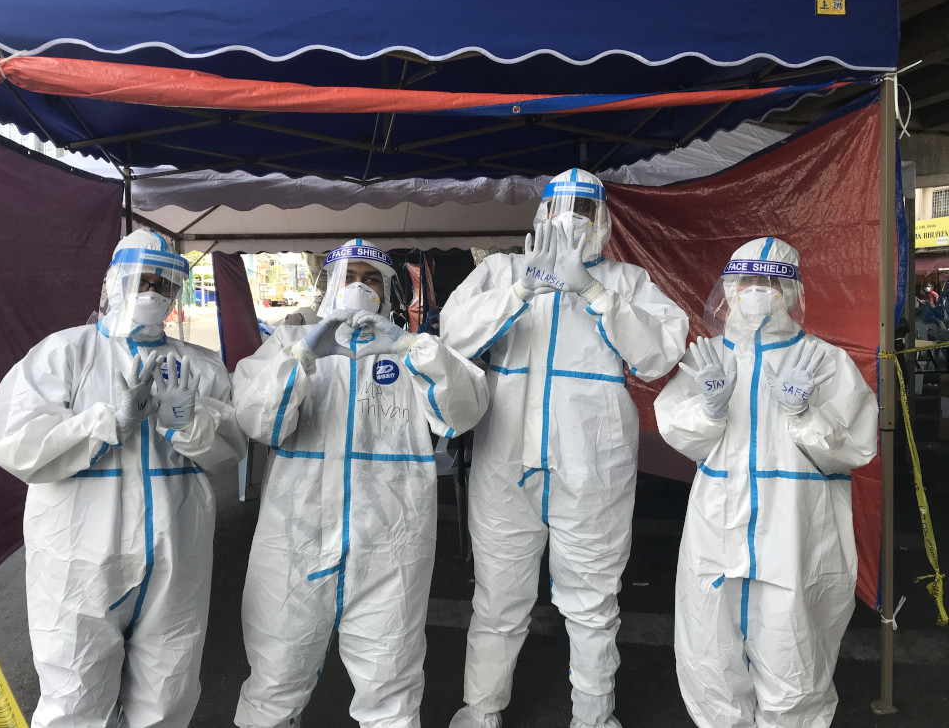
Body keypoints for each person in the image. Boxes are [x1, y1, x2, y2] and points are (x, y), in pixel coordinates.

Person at [439, 168, 689, 728]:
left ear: (602, 221)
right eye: (561, 205)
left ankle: (593, 717)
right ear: (540, 214)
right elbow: (453, 336)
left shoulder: (626, 281)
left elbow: (659, 355)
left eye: (584, 208)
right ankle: (481, 709)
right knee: (498, 597)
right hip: (506, 462)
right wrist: (521, 290)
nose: (570, 217)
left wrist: (593, 291)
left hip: (592, 467)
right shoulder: (502, 270)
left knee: (594, 601)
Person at [0, 229, 247, 727]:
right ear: (115, 281)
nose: (152, 291)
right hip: (78, 559)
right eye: (142, 278)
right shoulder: (67, 354)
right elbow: (11, 442)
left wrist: (192, 424)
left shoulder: (200, 367)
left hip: (176, 555)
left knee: (166, 694)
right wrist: (107, 422)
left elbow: (229, 452)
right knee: (73, 697)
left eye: (164, 282)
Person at [231, 238, 488, 728]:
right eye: (348, 277)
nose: (358, 288)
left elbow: (464, 411)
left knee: (390, 689)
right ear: (327, 286)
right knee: (274, 681)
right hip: (295, 545)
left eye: (371, 279)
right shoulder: (288, 344)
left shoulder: (410, 350)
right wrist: (303, 356)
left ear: (388, 292)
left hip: (389, 547)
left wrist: (413, 349)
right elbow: (257, 420)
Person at [653, 237, 878, 728]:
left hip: (794, 532)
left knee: (794, 655)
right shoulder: (708, 357)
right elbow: (675, 428)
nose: (757, 292)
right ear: (729, 290)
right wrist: (709, 408)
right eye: (747, 281)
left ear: (793, 293)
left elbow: (857, 447)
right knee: (711, 654)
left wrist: (804, 413)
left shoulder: (823, 361)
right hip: (717, 529)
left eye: (771, 282)